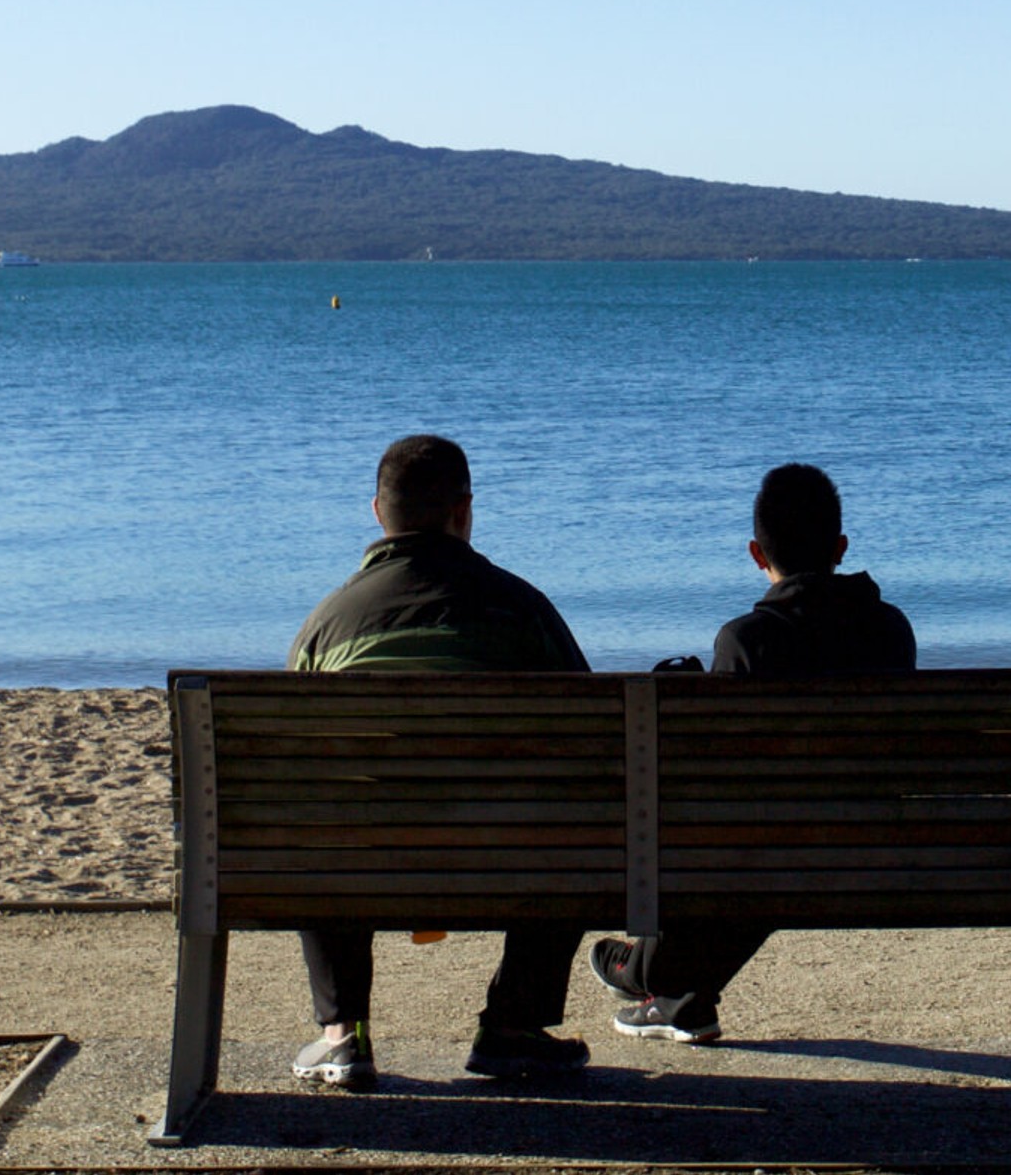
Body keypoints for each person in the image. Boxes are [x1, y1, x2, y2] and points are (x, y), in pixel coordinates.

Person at [283, 433, 592, 1091]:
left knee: (321, 809)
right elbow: (596, 740)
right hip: (502, 854)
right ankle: (513, 1023)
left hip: (362, 857)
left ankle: (343, 1032)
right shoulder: (523, 609)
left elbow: (297, 766)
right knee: (583, 814)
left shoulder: (329, 622)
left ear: (377, 512)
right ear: (465, 511)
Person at [587, 462, 916, 1043]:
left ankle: (644, 970)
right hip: (876, 851)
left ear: (755, 554)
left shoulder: (746, 639)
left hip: (770, 858)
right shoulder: (893, 630)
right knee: (778, 836)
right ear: (841, 547)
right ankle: (681, 1001)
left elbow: (721, 781)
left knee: (750, 837)